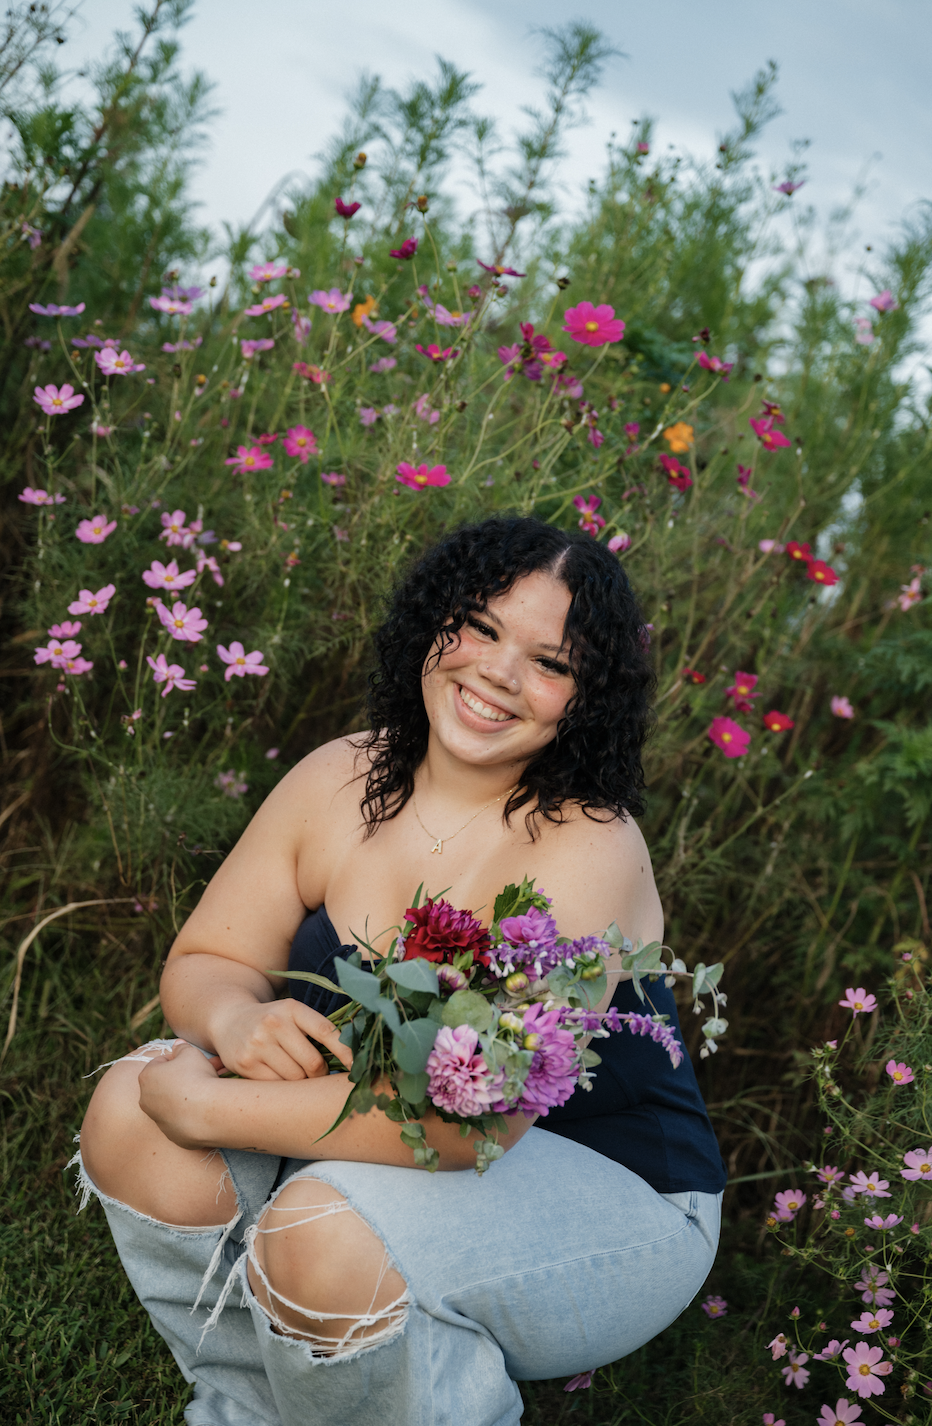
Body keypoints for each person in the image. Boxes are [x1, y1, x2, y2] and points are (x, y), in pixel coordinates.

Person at [76, 515, 727, 1426]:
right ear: (433, 623)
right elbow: (211, 959)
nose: (500, 673)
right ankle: (250, 1401)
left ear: (585, 698)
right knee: (127, 1106)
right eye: (484, 627)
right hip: (374, 1147)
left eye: (551, 662)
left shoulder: (589, 844)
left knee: (317, 1221)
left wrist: (206, 1103)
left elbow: (473, 1126)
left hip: (609, 1192)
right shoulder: (341, 777)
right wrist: (232, 1022)